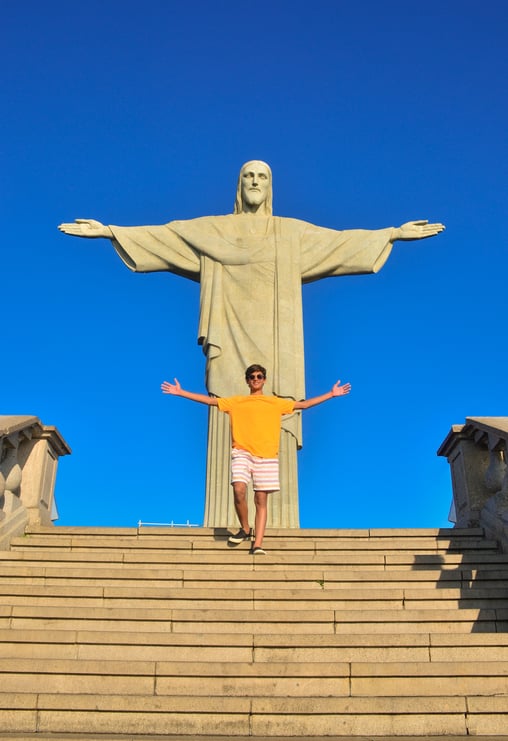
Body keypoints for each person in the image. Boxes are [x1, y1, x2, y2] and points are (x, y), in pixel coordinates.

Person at [59, 160, 444, 528]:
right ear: (239, 185)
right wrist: (110, 231)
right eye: (248, 176)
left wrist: (391, 234)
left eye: (262, 176)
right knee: (229, 414)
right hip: (227, 334)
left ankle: (264, 530)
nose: (255, 182)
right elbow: (167, 236)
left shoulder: (289, 233)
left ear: (270, 186)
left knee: (276, 413)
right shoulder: (214, 231)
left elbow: (339, 243)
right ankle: (237, 524)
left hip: (279, 339)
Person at [161, 363, 352, 554]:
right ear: (247, 381)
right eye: (252, 377)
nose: (255, 379)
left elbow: (304, 405)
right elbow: (211, 401)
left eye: (259, 376)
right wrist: (181, 392)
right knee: (238, 489)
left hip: (267, 456)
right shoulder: (237, 402)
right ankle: (245, 528)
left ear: (264, 380)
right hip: (242, 452)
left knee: (261, 500)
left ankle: (258, 544)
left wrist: (331, 394)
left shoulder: (275, 402)